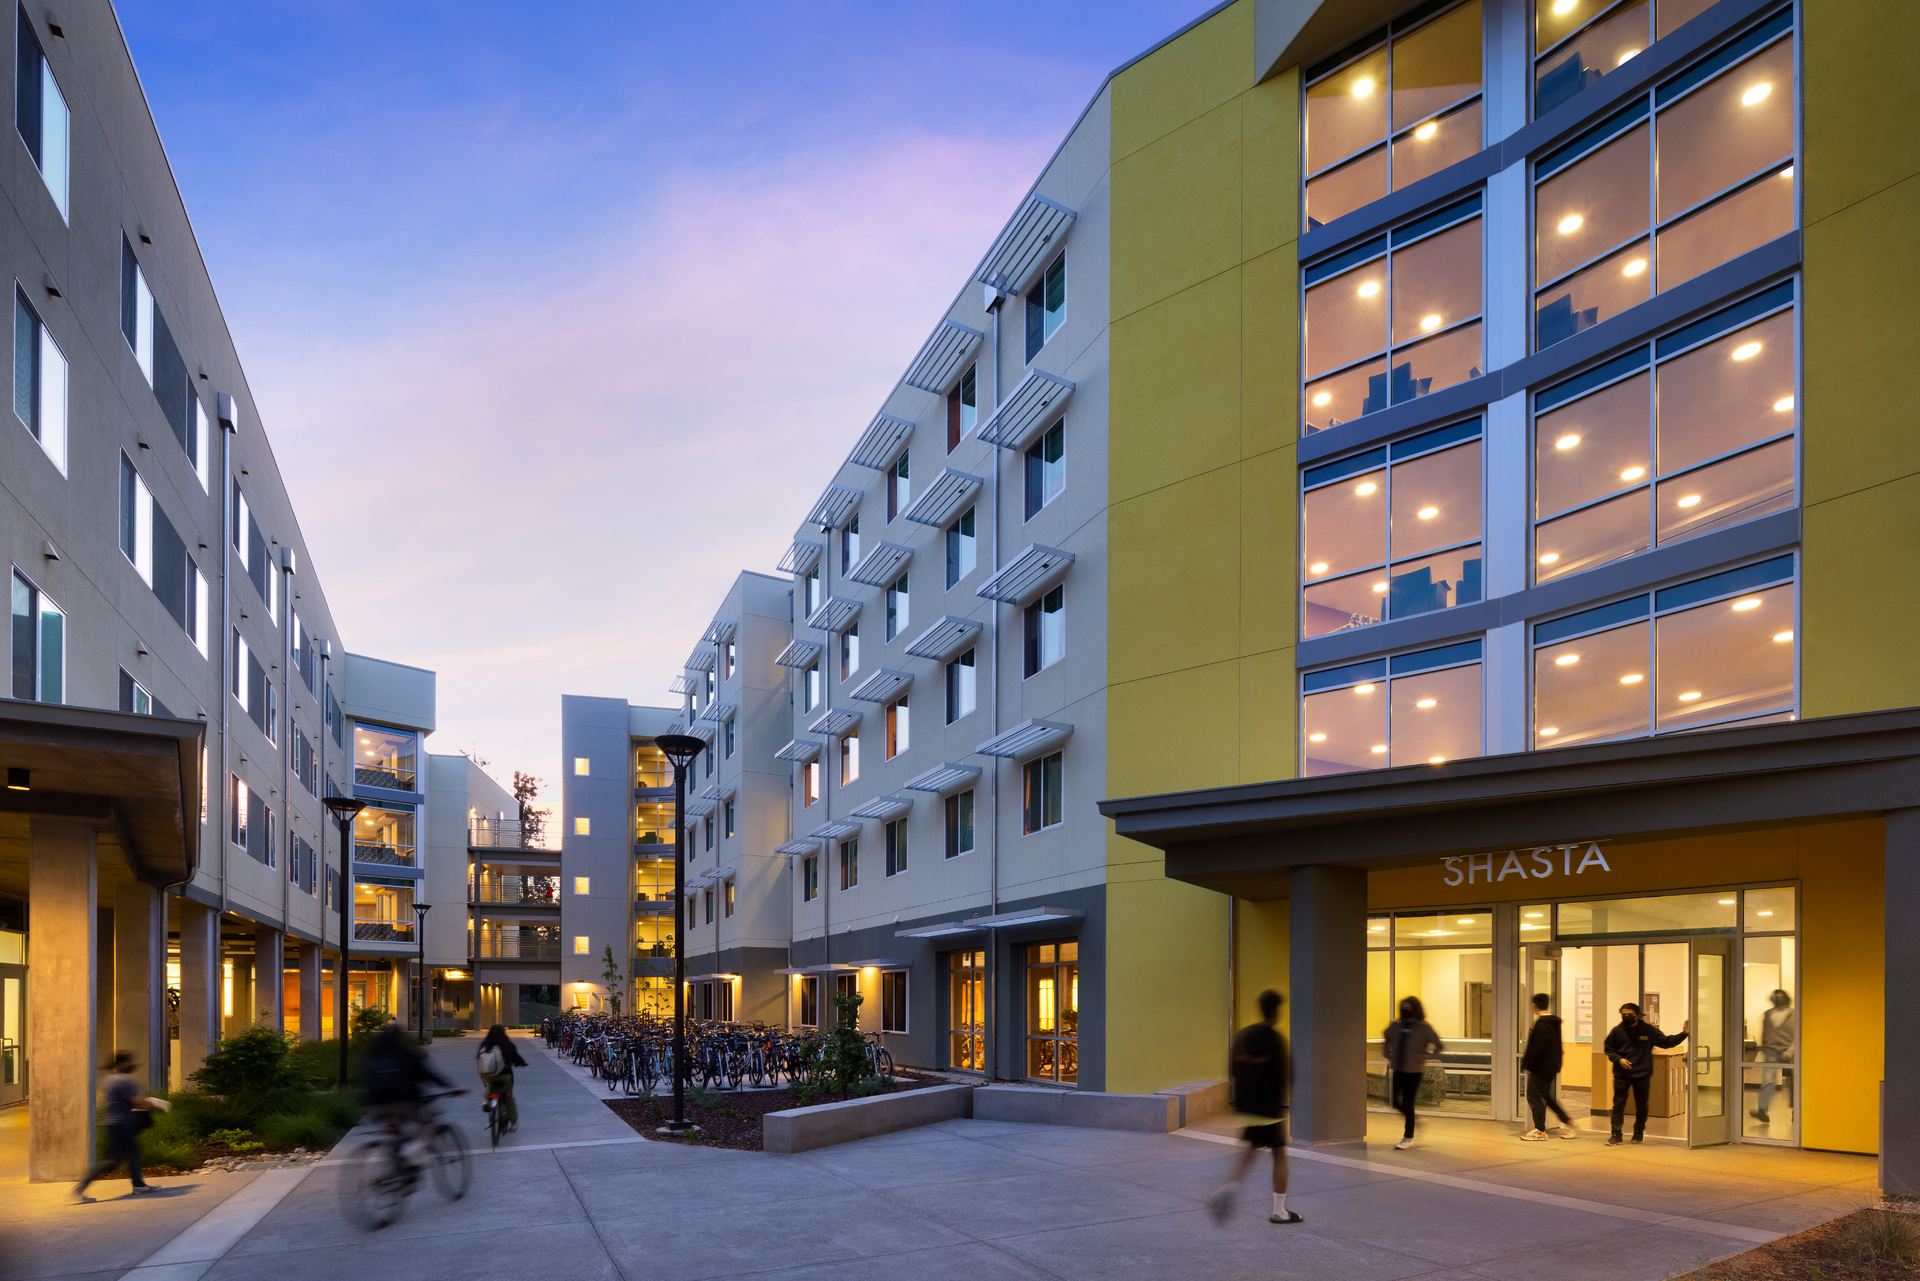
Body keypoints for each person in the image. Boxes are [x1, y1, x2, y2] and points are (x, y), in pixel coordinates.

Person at [1208, 990, 1302, 1226]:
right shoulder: (1277, 1040)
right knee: (1279, 1154)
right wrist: (1282, 1107)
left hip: (1249, 1108)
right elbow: (1287, 1075)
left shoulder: (1245, 1035)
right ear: (1277, 1011)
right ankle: (1279, 1211)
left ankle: (1227, 1187)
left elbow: (1234, 1071)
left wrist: (1239, 1105)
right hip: (1270, 1110)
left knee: (1251, 1150)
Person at [73, 1051, 164, 1202]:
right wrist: (153, 1104)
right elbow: (136, 1102)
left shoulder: (109, 1079)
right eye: (129, 1061)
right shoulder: (125, 1080)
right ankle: (138, 1186)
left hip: (112, 1124)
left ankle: (81, 1189)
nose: (132, 1065)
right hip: (121, 1124)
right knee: (120, 1159)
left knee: (114, 1160)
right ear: (123, 1063)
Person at [1602, 1003, 1688, 1145]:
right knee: (1618, 1105)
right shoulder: (1617, 1031)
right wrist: (1619, 1059)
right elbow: (1609, 1049)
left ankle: (1638, 1131)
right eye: (1624, 1015)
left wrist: (1684, 1034)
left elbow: (1666, 1042)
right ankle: (1616, 1134)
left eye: (1630, 1015)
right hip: (1621, 1075)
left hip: (1642, 1074)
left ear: (1637, 1014)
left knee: (1642, 1105)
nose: (1627, 1017)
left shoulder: (1648, 1030)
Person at [1382, 997, 1442, 1151]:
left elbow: (1439, 1045)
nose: (1404, 1011)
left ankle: (1408, 1138)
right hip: (1399, 1068)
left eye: (1408, 1008)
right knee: (1393, 1101)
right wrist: (1387, 1052)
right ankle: (1416, 1120)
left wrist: (1425, 1056)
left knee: (1408, 1103)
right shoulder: (1396, 1025)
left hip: (1414, 1070)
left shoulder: (1423, 1027)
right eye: (1402, 1008)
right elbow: (1386, 1037)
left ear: (1415, 1009)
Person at [1520, 993, 1577, 1141]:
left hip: (1540, 1067)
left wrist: (1528, 1065)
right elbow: (1555, 1046)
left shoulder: (1541, 1024)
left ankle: (1539, 1130)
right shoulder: (1554, 1023)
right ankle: (1568, 1123)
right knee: (1547, 1097)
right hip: (1552, 1066)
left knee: (1533, 1096)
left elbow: (1536, 1047)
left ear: (1534, 1006)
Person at [1751, 989, 1795, 1124]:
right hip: (1770, 1051)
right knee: (1768, 1081)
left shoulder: (1794, 1014)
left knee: (1796, 1082)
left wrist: (1791, 1051)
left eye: (1780, 998)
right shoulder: (1768, 1014)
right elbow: (1765, 1033)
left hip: (1789, 1050)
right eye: (1775, 998)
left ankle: (1797, 1111)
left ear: (1786, 999)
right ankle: (1762, 1110)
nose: (1778, 1000)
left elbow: (1799, 1033)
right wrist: (1764, 1048)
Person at [475, 1023, 528, 1131]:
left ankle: (487, 1100)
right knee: (508, 1098)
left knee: (489, 1087)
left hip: (488, 1076)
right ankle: (513, 1123)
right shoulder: (506, 1043)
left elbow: (478, 1058)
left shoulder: (485, 1045)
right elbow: (516, 1057)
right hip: (505, 1076)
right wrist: (521, 1063)